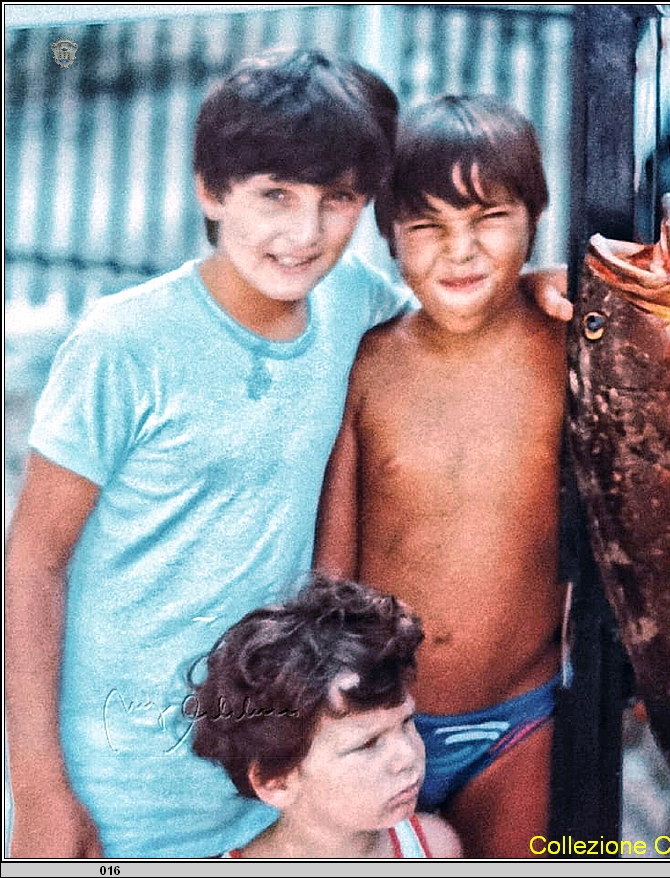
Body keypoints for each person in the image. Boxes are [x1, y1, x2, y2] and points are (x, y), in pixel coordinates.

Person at [2, 49, 408, 858]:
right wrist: (43, 791)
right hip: (117, 786)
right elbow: (33, 561)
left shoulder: (352, 300)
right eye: (274, 196)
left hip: (266, 780)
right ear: (210, 190)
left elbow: (450, 324)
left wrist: (542, 286)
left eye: (337, 201)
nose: (304, 233)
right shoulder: (125, 342)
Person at [314, 95, 565, 858]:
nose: (461, 253)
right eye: (428, 228)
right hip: (379, 718)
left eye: (489, 219)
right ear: (390, 237)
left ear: (535, 215)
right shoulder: (370, 364)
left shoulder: (568, 352)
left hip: (521, 719)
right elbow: (334, 560)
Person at [188, 575, 461, 858]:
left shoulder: (434, 848)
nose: (407, 756)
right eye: (367, 744)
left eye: (406, 723)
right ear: (277, 782)